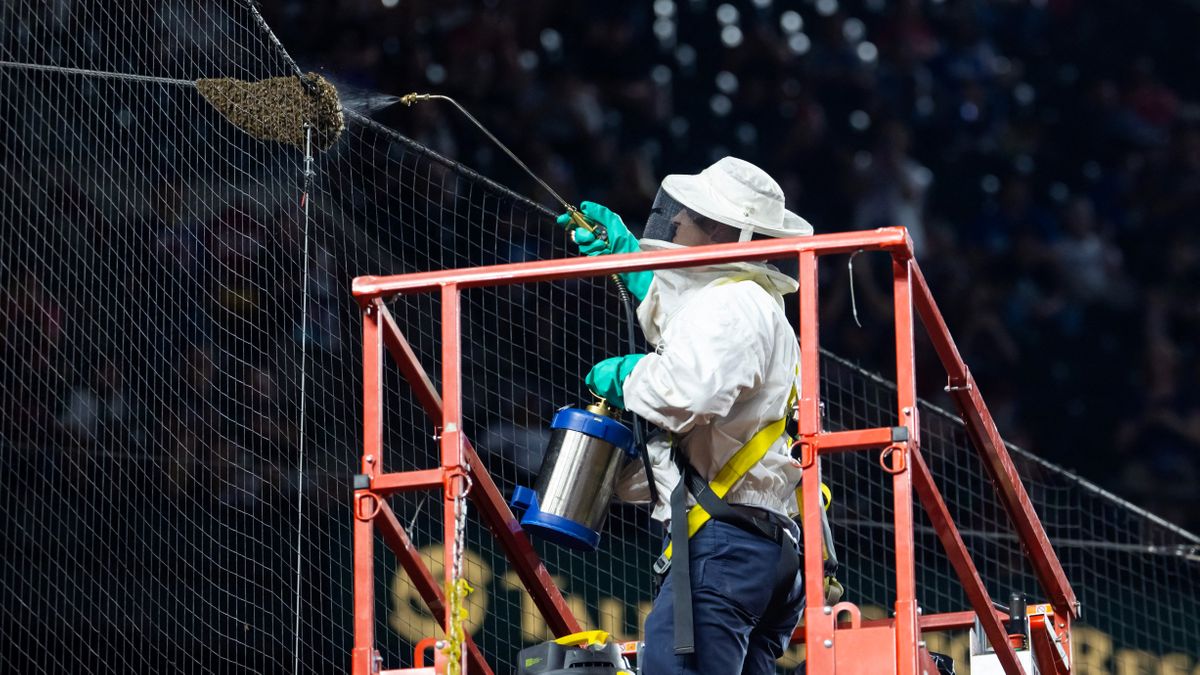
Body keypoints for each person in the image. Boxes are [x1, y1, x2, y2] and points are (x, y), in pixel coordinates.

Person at [557, 156, 813, 674]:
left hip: (727, 546)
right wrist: (631, 261)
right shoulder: (744, 302)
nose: (675, 223)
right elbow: (689, 325)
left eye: (691, 216)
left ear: (721, 231)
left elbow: (687, 390)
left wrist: (628, 374)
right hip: (760, 548)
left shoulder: (736, 305)